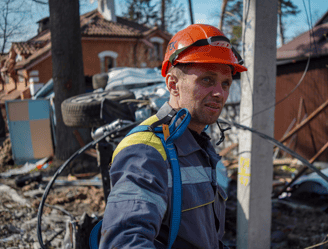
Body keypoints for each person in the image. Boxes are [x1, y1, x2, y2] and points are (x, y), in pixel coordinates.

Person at [99, 24, 247, 249]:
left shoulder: (197, 144)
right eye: (207, 80)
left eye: (225, 83)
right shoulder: (147, 151)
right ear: (173, 84)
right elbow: (124, 243)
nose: (220, 93)